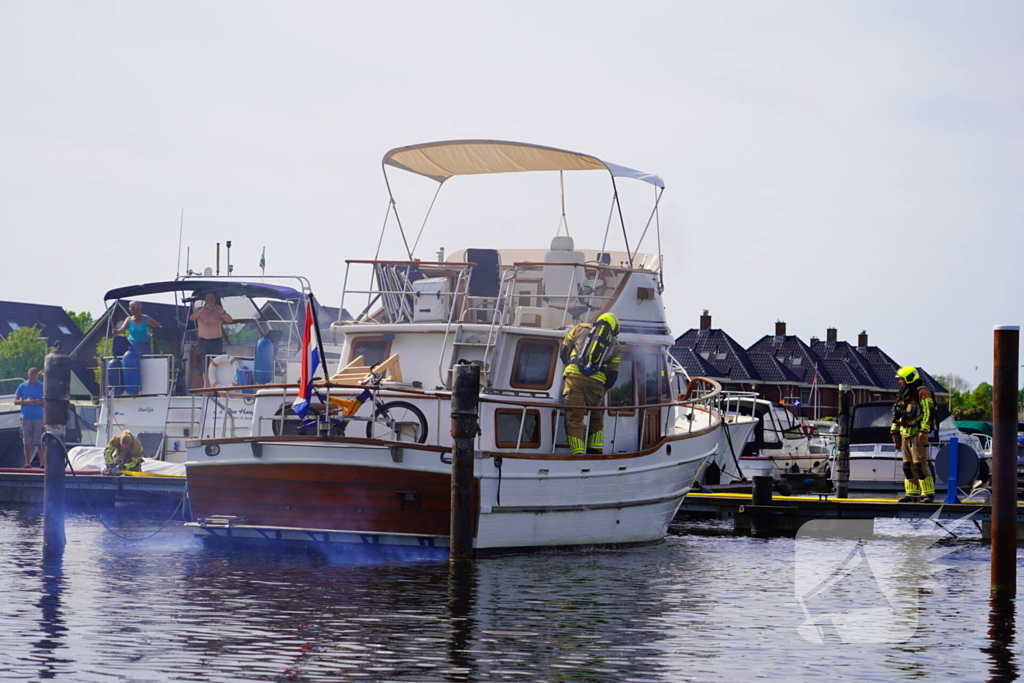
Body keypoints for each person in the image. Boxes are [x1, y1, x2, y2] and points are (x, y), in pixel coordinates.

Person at [559, 313, 621, 455]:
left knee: (575, 418)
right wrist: (602, 390)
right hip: (596, 384)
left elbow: (563, 352)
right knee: (596, 417)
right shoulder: (615, 345)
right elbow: (612, 376)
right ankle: (596, 451)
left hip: (573, 379)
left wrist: (571, 367)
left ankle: (578, 453)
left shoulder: (579, 328)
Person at [890, 366, 936, 503]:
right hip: (905, 434)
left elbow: (929, 412)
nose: (900, 382)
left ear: (909, 378)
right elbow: (898, 414)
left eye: (901, 379)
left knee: (919, 465)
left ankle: (928, 494)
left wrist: (924, 430)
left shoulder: (922, 392)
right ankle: (911, 493)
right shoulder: (904, 394)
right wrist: (894, 432)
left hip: (917, 434)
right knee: (907, 466)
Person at [189, 293, 233, 377]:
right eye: (208, 299)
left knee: (217, 362)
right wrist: (202, 310)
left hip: (216, 340)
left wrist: (223, 312)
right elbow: (192, 318)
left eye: (212, 299)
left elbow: (229, 320)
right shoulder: (200, 310)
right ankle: (206, 386)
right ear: (205, 301)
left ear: (215, 300)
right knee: (204, 363)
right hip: (204, 340)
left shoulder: (219, 311)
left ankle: (216, 382)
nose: (210, 301)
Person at [14, 367, 44, 468]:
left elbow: (47, 402)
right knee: (26, 442)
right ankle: (28, 463)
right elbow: (15, 401)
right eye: (31, 376)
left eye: (34, 377)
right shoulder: (22, 386)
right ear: (28, 375)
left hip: (38, 416)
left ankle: (42, 463)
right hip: (26, 416)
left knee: (39, 442)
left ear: (37, 376)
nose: (32, 378)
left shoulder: (42, 386)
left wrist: (38, 401)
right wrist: (25, 401)